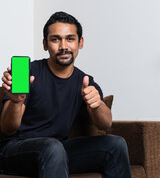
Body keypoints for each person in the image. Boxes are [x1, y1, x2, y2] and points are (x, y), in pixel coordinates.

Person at [0, 11, 131, 178]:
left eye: (70, 39)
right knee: (52, 147)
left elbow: (105, 124)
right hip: (13, 151)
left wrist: (97, 105)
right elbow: (7, 128)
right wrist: (17, 100)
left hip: (57, 151)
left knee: (116, 145)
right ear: (45, 44)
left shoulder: (85, 81)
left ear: (80, 42)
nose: (64, 46)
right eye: (55, 39)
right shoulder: (28, 72)